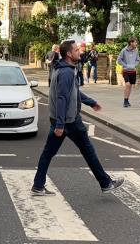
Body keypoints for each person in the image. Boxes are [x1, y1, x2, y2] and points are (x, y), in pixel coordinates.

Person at [31, 40, 124, 196]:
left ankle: (38, 185)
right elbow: (62, 98)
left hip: (61, 119)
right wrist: (61, 124)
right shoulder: (67, 72)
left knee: (48, 153)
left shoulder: (62, 68)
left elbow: (73, 93)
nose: (79, 52)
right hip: (70, 121)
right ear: (69, 54)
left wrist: (91, 102)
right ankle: (106, 183)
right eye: (76, 50)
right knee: (88, 150)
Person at [117, 37, 140, 107]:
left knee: (130, 86)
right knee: (127, 84)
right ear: (131, 43)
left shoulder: (136, 50)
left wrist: (134, 65)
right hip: (126, 71)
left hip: (133, 71)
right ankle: (125, 101)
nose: (136, 44)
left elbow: (138, 60)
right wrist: (126, 65)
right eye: (135, 42)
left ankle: (127, 100)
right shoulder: (124, 50)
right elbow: (119, 60)